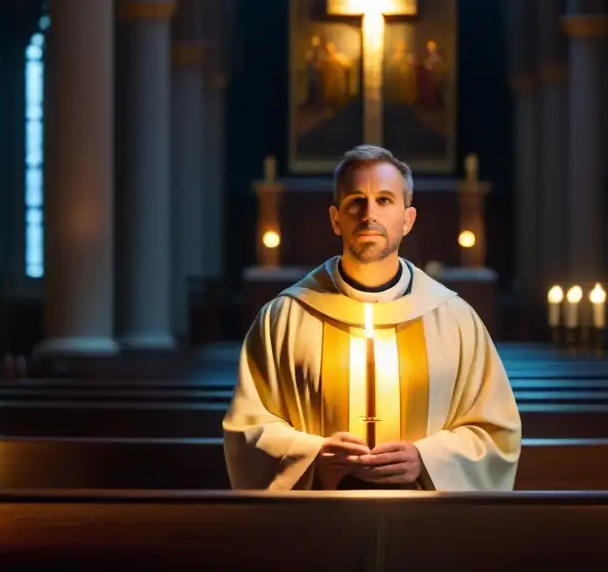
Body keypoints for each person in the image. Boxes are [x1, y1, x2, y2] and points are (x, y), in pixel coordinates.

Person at [223, 145, 521, 491]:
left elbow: (495, 433)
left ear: (407, 219)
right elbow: (248, 428)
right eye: (355, 201)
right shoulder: (285, 318)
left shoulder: (454, 320)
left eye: (384, 200)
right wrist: (313, 458)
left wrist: (427, 460)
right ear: (336, 218)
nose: (368, 214)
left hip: (426, 525)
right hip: (315, 522)